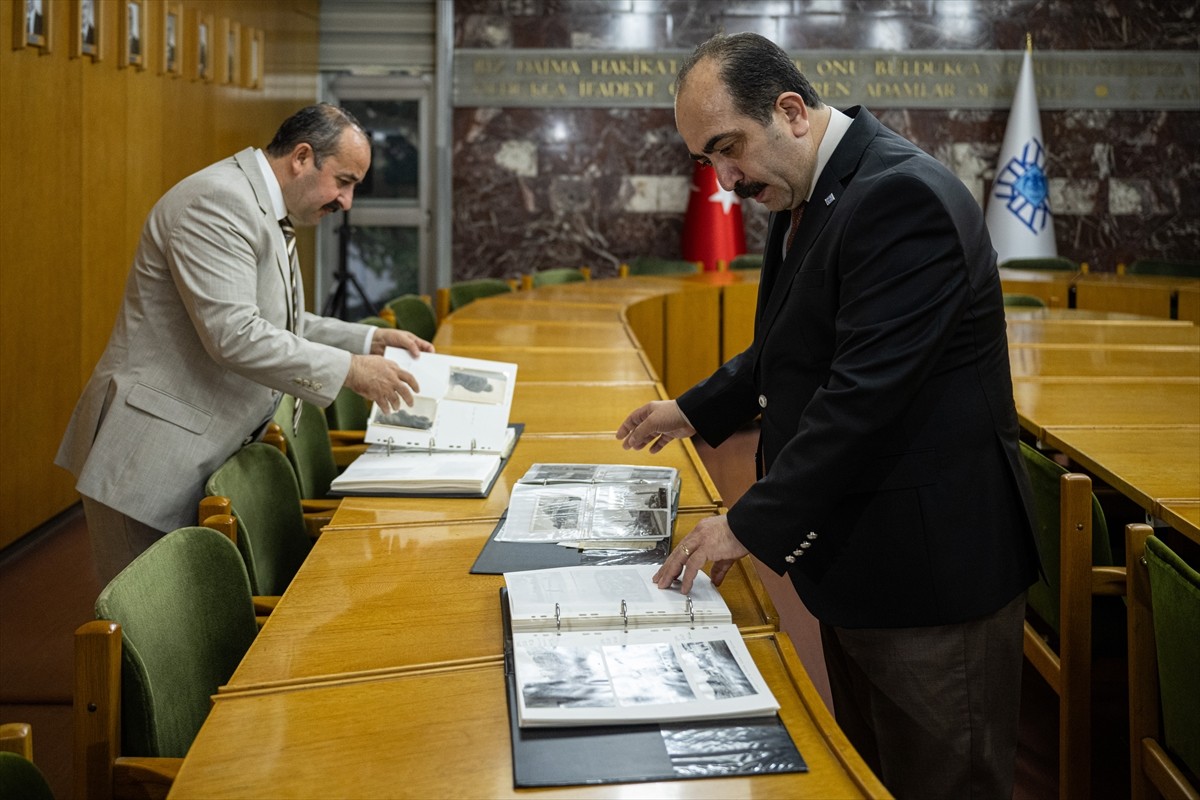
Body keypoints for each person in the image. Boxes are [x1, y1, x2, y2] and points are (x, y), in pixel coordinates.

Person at [616, 33, 1041, 800]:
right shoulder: (814, 188)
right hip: (862, 561)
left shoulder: (901, 197)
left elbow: (862, 397)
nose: (725, 178)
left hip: (932, 577)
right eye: (707, 160)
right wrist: (691, 409)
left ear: (790, 111)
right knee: (875, 775)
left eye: (727, 148)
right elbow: (786, 348)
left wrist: (745, 522)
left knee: (945, 782)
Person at [56, 104, 433, 585]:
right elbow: (234, 335)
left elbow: (278, 322)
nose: (346, 201)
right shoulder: (218, 202)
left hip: (194, 444)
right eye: (343, 181)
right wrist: (349, 371)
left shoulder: (261, 204)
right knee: (149, 639)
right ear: (301, 157)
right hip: (150, 454)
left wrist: (368, 340)